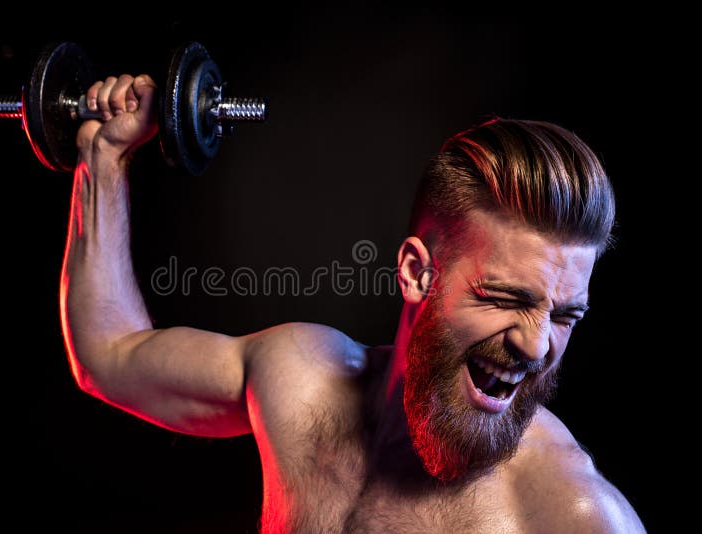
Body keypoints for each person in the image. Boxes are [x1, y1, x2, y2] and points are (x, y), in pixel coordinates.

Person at [60, 73, 646, 532]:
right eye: (504, 299)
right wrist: (104, 160)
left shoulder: (571, 516)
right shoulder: (300, 382)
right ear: (418, 274)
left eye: (566, 314)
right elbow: (108, 353)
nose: (537, 343)